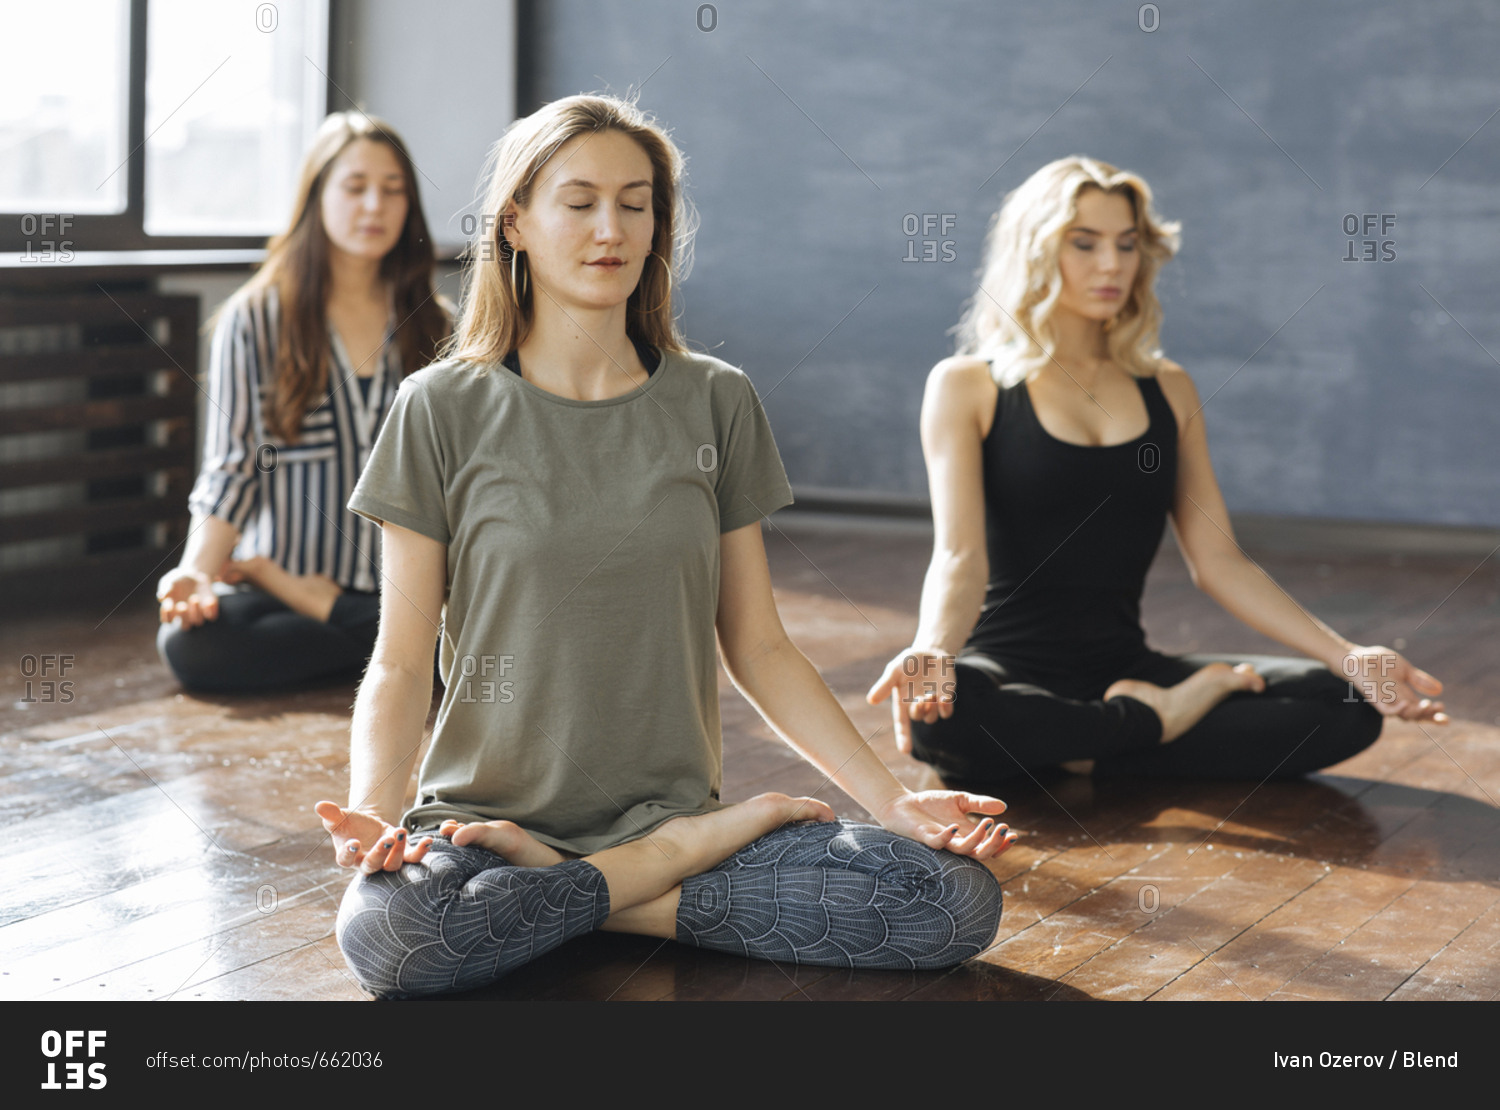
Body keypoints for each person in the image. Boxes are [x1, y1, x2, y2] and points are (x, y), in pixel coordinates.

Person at [313, 95, 1011, 999]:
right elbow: (401, 661)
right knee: (394, 933)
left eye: (635, 203)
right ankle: (641, 877)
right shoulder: (441, 407)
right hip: (482, 830)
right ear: (515, 222)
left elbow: (758, 643)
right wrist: (373, 809)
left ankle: (582, 888)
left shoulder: (715, 401)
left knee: (950, 900)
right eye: (581, 201)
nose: (612, 229)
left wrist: (892, 800)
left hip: (678, 820)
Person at [867, 155, 1446, 789]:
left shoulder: (1167, 388)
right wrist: (933, 650)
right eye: (1083, 244)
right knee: (944, 721)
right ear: (1034, 251)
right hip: (1007, 670)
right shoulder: (967, 385)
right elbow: (958, 555)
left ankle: (1087, 743)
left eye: (1127, 244)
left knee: (1344, 705)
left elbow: (1218, 561)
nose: (1111, 264)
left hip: (1124, 662)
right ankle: (1152, 726)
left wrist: (1353, 657)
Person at [156, 112, 451, 693]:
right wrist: (197, 570)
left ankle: (342, 617)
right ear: (316, 195)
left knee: (491, 638)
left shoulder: (436, 323)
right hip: (277, 586)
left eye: (393, 191)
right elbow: (233, 467)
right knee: (193, 649)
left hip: (406, 585)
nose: (374, 207)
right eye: (355, 187)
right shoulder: (258, 317)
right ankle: (388, 646)